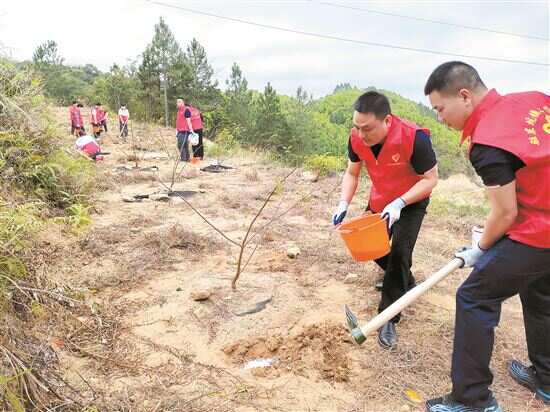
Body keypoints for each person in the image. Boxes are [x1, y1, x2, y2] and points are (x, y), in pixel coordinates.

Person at [424, 61, 550, 412]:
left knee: (474, 297)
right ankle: (547, 378)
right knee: (540, 291)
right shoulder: (535, 99)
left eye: (440, 108)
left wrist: (481, 247)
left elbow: (506, 213)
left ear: (464, 96)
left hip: (540, 231)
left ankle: (472, 400)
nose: (439, 118)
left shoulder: (488, 142)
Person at [332, 91, 438, 349]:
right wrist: (344, 202)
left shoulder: (414, 138)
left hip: (411, 201)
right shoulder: (356, 139)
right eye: (357, 127)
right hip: (380, 200)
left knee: (400, 252)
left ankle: (388, 317)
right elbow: (352, 173)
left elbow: (430, 179)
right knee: (368, 247)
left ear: (387, 121)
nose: (361, 134)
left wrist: (400, 203)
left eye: (367, 128)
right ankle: (404, 280)